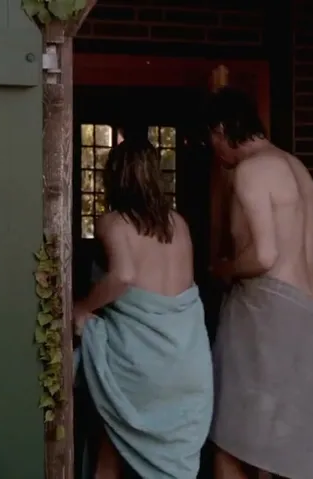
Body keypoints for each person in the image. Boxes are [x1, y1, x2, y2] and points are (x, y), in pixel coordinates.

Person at [205, 87, 313, 479]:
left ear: (221, 131)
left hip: (270, 317)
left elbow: (264, 256)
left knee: (231, 438)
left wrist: (223, 269)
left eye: (212, 142)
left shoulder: (251, 170)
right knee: (293, 447)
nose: (215, 153)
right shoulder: (297, 168)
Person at [72, 138, 213, 479]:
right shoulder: (178, 223)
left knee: (109, 446)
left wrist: (81, 308)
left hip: (141, 366)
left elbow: (124, 275)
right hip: (187, 364)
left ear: (114, 177)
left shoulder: (114, 223)